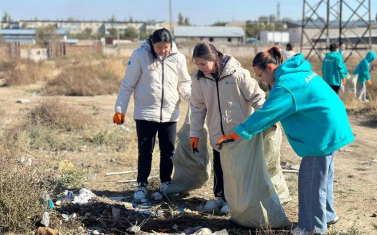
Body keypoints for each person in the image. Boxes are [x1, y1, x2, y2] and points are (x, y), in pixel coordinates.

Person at [216, 47, 355, 235]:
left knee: (311, 179)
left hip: (321, 130)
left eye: (260, 75)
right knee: (323, 175)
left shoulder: (285, 85)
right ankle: (327, 215)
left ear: (270, 68)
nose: (262, 81)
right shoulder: (297, 71)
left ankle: (311, 227)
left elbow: (266, 113)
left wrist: (236, 133)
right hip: (332, 122)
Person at [113, 28, 191, 200]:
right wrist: (120, 109)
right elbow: (127, 84)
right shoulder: (140, 55)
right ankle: (142, 185)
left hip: (170, 114)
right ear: (151, 43)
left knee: (168, 151)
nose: (163, 51)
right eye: (159, 47)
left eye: (166, 47)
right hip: (145, 113)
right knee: (145, 150)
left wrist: (192, 99)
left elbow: (184, 83)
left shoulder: (178, 58)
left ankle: (166, 183)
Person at [189, 42, 266, 213]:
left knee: (238, 170)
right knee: (220, 167)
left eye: (203, 63)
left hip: (238, 133)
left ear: (213, 59)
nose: (200, 68)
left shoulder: (237, 74)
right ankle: (222, 198)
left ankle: (236, 201)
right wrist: (194, 133)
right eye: (197, 64)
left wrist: (268, 118)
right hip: (217, 133)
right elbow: (197, 108)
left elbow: (257, 97)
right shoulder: (199, 79)